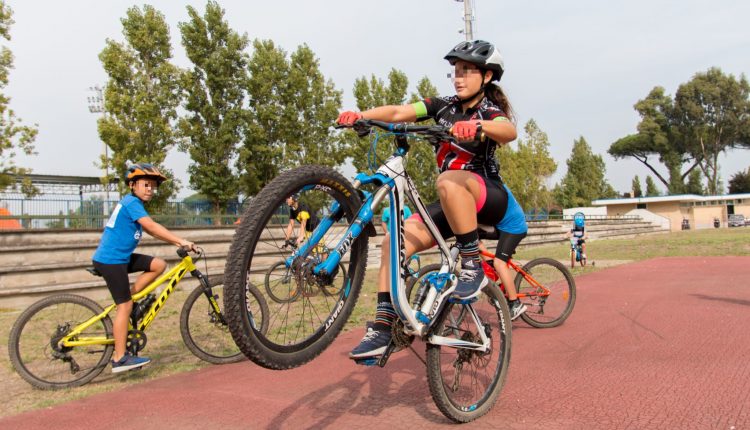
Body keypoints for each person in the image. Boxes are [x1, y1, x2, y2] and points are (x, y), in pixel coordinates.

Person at [338, 40, 518, 359]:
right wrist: (360, 116)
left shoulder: (488, 111)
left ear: (487, 76)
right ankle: (383, 328)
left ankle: (471, 265)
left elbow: (507, 131)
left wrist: (476, 126)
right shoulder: (441, 106)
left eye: (466, 71)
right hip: (453, 206)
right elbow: (398, 112)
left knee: (447, 180)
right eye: (455, 71)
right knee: (394, 242)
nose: (458, 77)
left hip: (489, 200)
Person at [92, 163, 196, 373]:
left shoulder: (134, 203)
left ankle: (132, 303)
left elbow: (153, 231)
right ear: (132, 185)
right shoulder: (131, 203)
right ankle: (119, 358)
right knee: (124, 306)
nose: (150, 189)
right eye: (146, 185)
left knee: (158, 265)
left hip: (120, 258)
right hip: (111, 260)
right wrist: (180, 241)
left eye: (152, 186)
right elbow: (152, 228)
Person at [479, 185, 528, 320]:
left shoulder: (490, 187)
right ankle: (490, 265)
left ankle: (515, 303)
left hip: (514, 227)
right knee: (472, 234)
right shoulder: (485, 183)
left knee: (499, 263)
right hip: (502, 225)